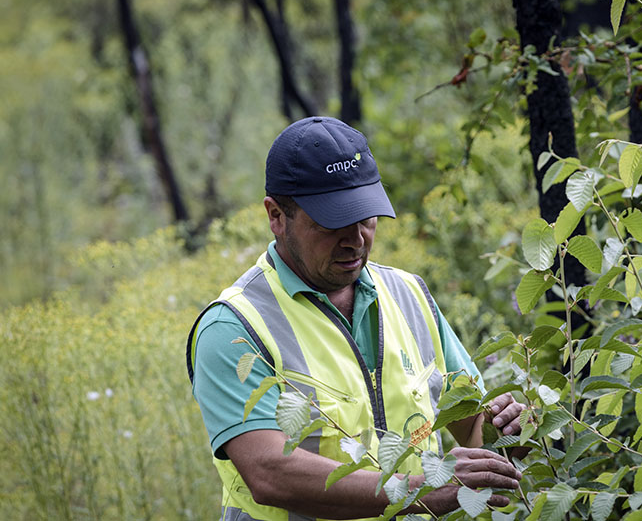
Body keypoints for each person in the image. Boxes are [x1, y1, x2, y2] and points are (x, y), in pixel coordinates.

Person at [187, 116, 527, 521]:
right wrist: (422, 490)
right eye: (331, 224)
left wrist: (507, 430)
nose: (355, 240)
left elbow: (471, 426)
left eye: (366, 219)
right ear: (276, 216)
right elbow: (269, 473)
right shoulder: (233, 328)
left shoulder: (410, 295)